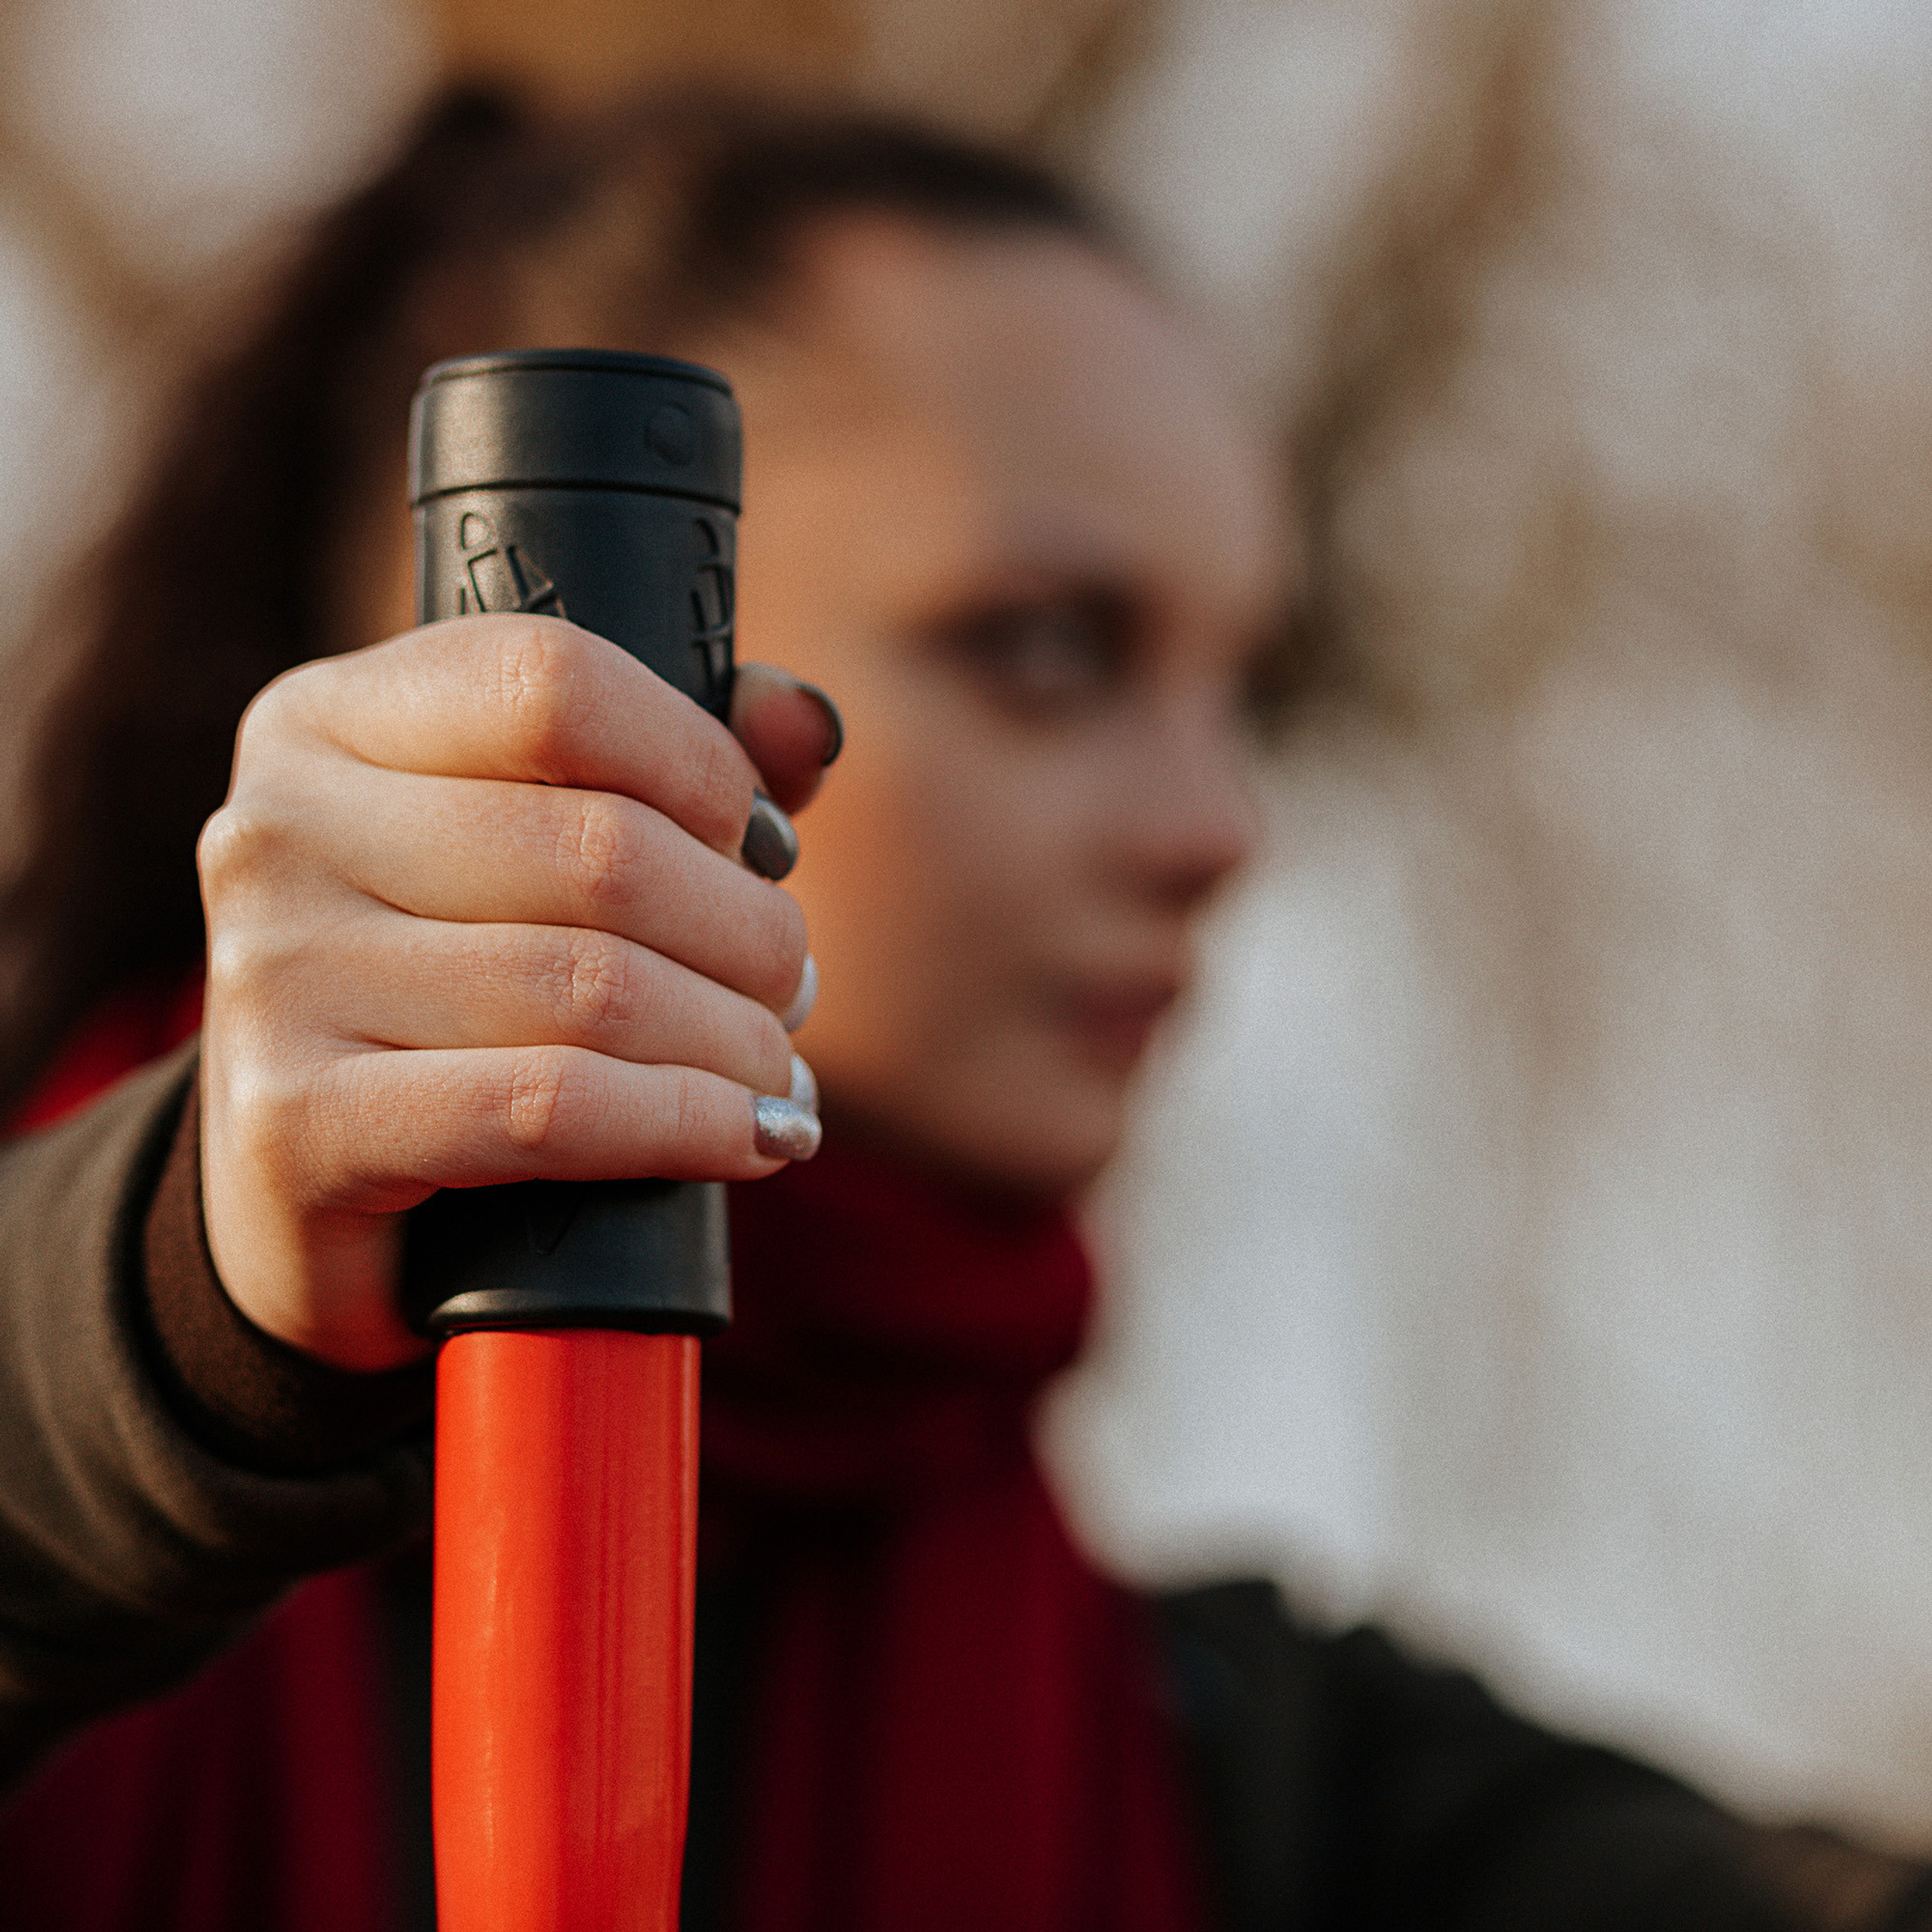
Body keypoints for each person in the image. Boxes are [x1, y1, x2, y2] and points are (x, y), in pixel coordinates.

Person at [0, 85, 1924, 1932]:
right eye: (1047, 647)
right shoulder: (80, 1452)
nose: (1215, 826)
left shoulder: (1246, 1779)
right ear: (535, 666)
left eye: (1236, 684)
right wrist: (180, 1292)